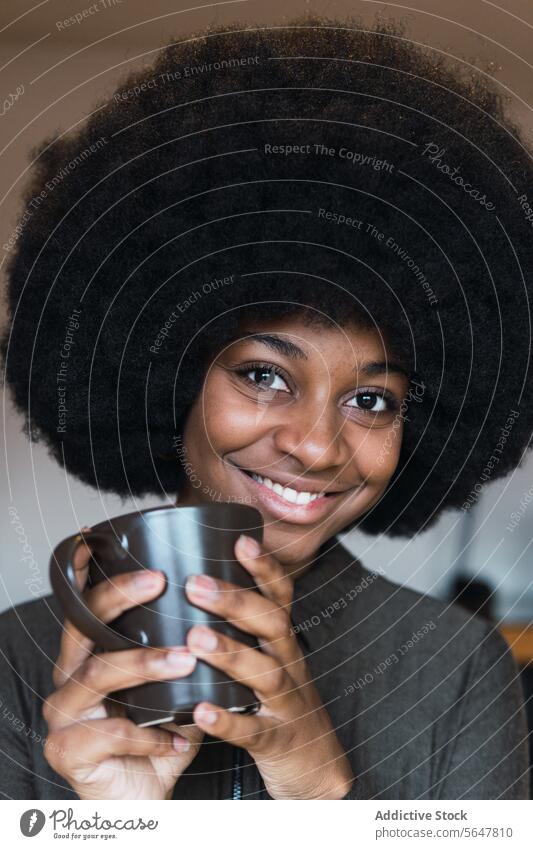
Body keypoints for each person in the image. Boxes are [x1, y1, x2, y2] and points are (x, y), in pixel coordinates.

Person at [1, 15, 532, 800]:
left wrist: (317, 790)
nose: (318, 447)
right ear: (167, 369)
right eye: (263, 375)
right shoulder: (16, 661)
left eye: (370, 398)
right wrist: (117, 824)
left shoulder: (456, 669)